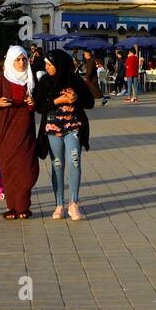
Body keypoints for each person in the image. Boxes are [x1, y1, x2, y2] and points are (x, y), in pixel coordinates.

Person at [35, 48, 94, 221]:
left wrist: (76, 98)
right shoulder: (45, 82)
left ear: (59, 65)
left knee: (74, 162)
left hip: (73, 127)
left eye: (49, 64)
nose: (46, 67)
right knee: (57, 165)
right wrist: (57, 101)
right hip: (53, 128)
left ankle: (73, 204)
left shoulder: (75, 80)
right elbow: (39, 107)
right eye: (46, 64)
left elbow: (90, 102)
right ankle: (59, 205)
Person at [0, 46, 39, 219]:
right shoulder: (1, 81)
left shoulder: (31, 80)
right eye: (17, 59)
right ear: (10, 61)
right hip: (6, 132)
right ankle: (12, 207)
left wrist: (33, 102)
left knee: (26, 169)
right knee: (9, 169)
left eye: (24, 59)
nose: (21, 63)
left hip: (25, 132)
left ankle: (23, 206)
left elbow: (39, 104)